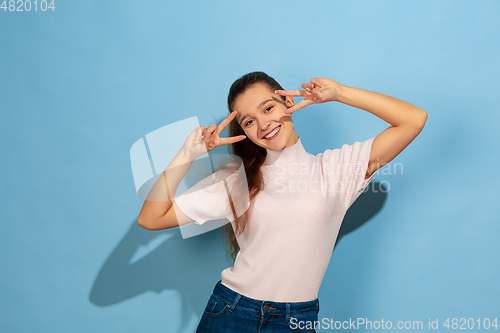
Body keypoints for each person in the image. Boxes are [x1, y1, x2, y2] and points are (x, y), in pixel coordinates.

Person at [137, 71, 427, 332]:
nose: (263, 124)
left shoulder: (337, 169)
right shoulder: (236, 179)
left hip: (295, 321)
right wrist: (186, 155)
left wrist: (339, 93)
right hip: (231, 311)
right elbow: (151, 218)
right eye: (249, 121)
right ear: (244, 132)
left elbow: (414, 119)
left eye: (268, 107)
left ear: (288, 103)